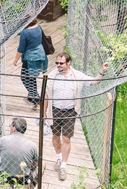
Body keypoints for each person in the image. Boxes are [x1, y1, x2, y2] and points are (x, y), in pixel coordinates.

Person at [44, 52, 108, 181]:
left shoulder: (77, 76)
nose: (58, 65)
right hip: (54, 111)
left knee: (66, 139)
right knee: (55, 136)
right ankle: (58, 158)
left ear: (68, 63)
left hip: (70, 112)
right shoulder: (51, 76)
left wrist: (102, 71)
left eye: (61, 63)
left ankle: (63, 166)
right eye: (57, 63)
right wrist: (44, 112)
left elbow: (94, 82)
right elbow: (46, 95)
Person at [0, 118, 39, 189]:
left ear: (14, 128)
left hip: (4, 176)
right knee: (43, 165)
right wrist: (31, 166)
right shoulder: (32, 145)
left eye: (10, 126)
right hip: (23, 179)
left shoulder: (3, 140)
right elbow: (36, 161)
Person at [13, 17, 48, 110]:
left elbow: (21, 49)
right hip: (39, 54)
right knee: (31, 76)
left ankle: (37, 99)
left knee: (24, 77)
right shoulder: (38, 27)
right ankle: (31, 97)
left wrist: (16, 59)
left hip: (30, 58)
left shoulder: (25, 32)